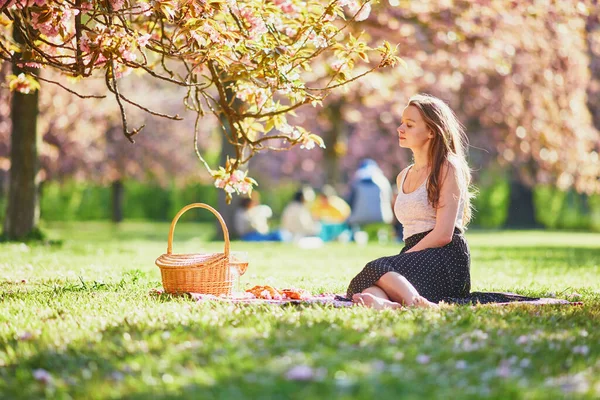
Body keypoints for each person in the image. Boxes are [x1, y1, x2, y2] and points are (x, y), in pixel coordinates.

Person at [346, 94, 537, 309]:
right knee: (364, 286)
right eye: (402, 123)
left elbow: (443, 234)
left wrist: (404, 258)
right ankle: (390, 306)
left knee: (376, 267)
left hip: (445, 258)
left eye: (409, 125)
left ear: (431, 131)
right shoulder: (403, 176)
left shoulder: (448, 168)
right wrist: (404, 259)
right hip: (415, 256)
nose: (400, 129)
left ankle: (417, 303)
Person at [346, 159, 394, 232]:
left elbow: (350, 201)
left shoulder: (356, 181)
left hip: (358, 217)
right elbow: (390, 199)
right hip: (382, 216)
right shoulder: (383, 181)